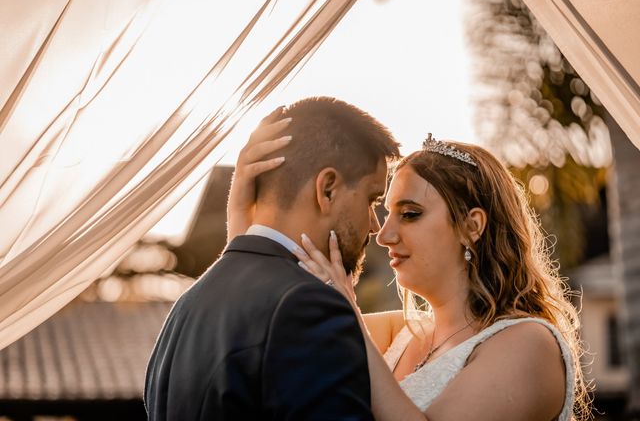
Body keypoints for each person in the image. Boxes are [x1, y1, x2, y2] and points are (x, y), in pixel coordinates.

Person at [229, 120, 592, 420]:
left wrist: (349, 313)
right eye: (386, 213)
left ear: (472, 226)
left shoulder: (528, 345)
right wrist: (245, 221)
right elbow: (266, 331)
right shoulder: (398, 335)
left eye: (410, 214)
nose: (383, 235)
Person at [144, 97, 400, 420]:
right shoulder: (307, 307)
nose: (375, 225)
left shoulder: (186, 308)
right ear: (328, 189)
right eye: (371, 199)